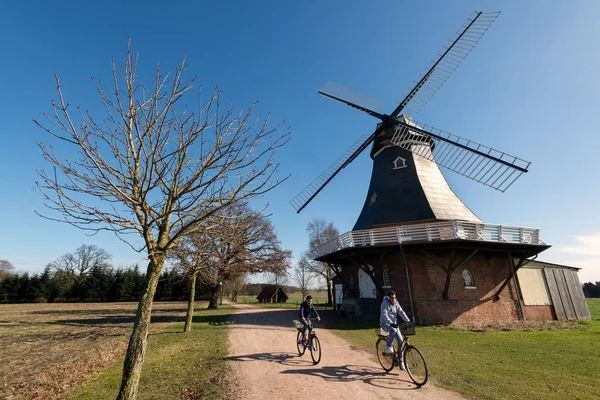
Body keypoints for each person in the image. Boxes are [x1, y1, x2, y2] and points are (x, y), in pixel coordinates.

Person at [380, 291, 410, 369]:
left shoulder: (396, 303)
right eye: (392, 298)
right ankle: (388, 346)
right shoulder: (385, 303)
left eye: (394, 297)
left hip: (394, 325)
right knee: (393, 330)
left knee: (401, 342)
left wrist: (408, 321)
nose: (393, 299)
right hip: (385, 323)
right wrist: (390, 323)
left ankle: (401, 361)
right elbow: (384, 315)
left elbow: (401, 312)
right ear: (389, 298)